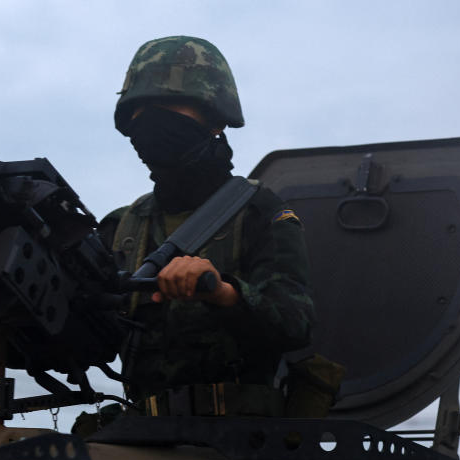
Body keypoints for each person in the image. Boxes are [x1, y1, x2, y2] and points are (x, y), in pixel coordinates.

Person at [92, 36, 316, 424]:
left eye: (165, 105)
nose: (148, 121)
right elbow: (83, 340)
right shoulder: (119, 228)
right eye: (138, 111)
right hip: (138, 439)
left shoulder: (260, 213)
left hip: (240, 447)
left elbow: (296, 323)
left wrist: (224, 292)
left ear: (214, 118)